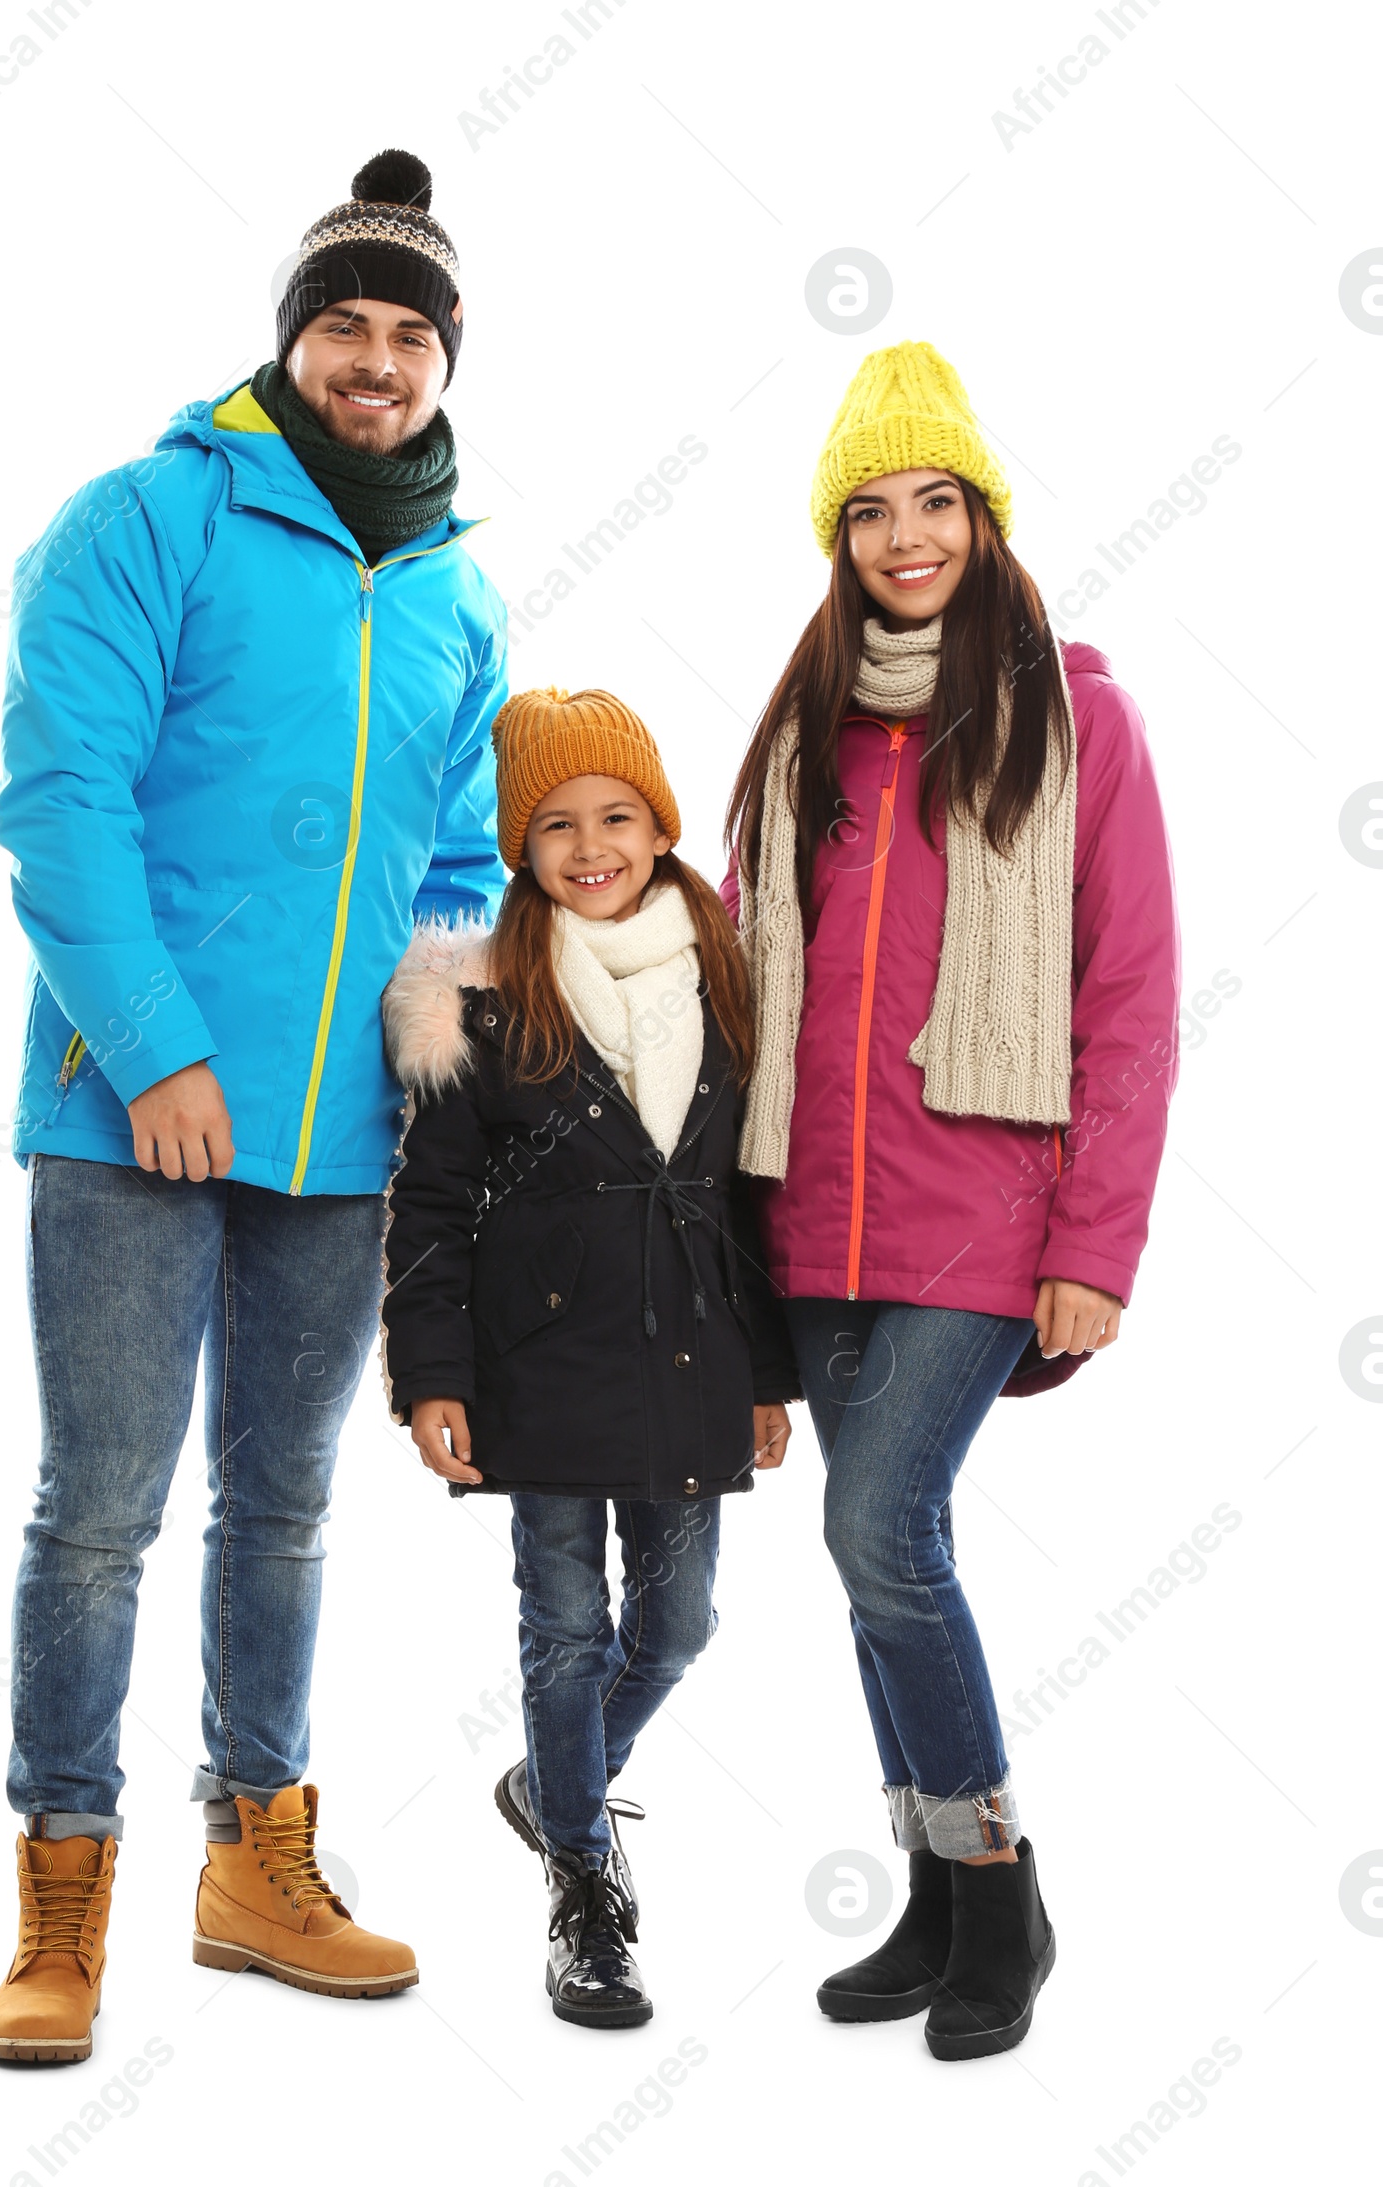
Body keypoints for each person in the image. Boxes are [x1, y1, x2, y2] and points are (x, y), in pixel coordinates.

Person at [0, 148, 508, 2064]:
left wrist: (439, 1080)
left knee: (283, 1510)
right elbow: (61, 800)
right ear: (289, 341)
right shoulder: (148, 520)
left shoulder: (459, 592)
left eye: (410, 335)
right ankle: (61, 1901)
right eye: (344, 324)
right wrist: (156, 1048)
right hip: (132, 1119)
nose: (376, 362)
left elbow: (463, 863)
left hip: (343, 1143)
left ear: (447, 365)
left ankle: (256, 1862)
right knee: (102, 1514)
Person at [723, 341, 1180, 2059]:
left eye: (933, 501)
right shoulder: (807, 744)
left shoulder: (1077, 716)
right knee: (875, 1567)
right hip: (812, 1223)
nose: (902, 536)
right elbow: (748, 973)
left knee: (877, 1535)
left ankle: (998, 1889)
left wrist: (1097, 1249)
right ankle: (929, 1890)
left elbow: (1128, 999)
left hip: (984, 1226)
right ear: (836, 539)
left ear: (983, 517)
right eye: (867, 510)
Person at [379, 688, 798, 2027]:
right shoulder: (481, 995)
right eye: (556, 824)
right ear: (522, 847)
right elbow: (432, 1206)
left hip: (690, 1369)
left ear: (660, 827)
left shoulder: (722, 972)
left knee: (680, 1623)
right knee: (563, 1629)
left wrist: (770, 1371)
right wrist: (431, 1373)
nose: (590, 843)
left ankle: (561, 1778)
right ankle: (585, 1893)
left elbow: (748, 1198)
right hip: (537, 1372)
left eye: (617, 815)